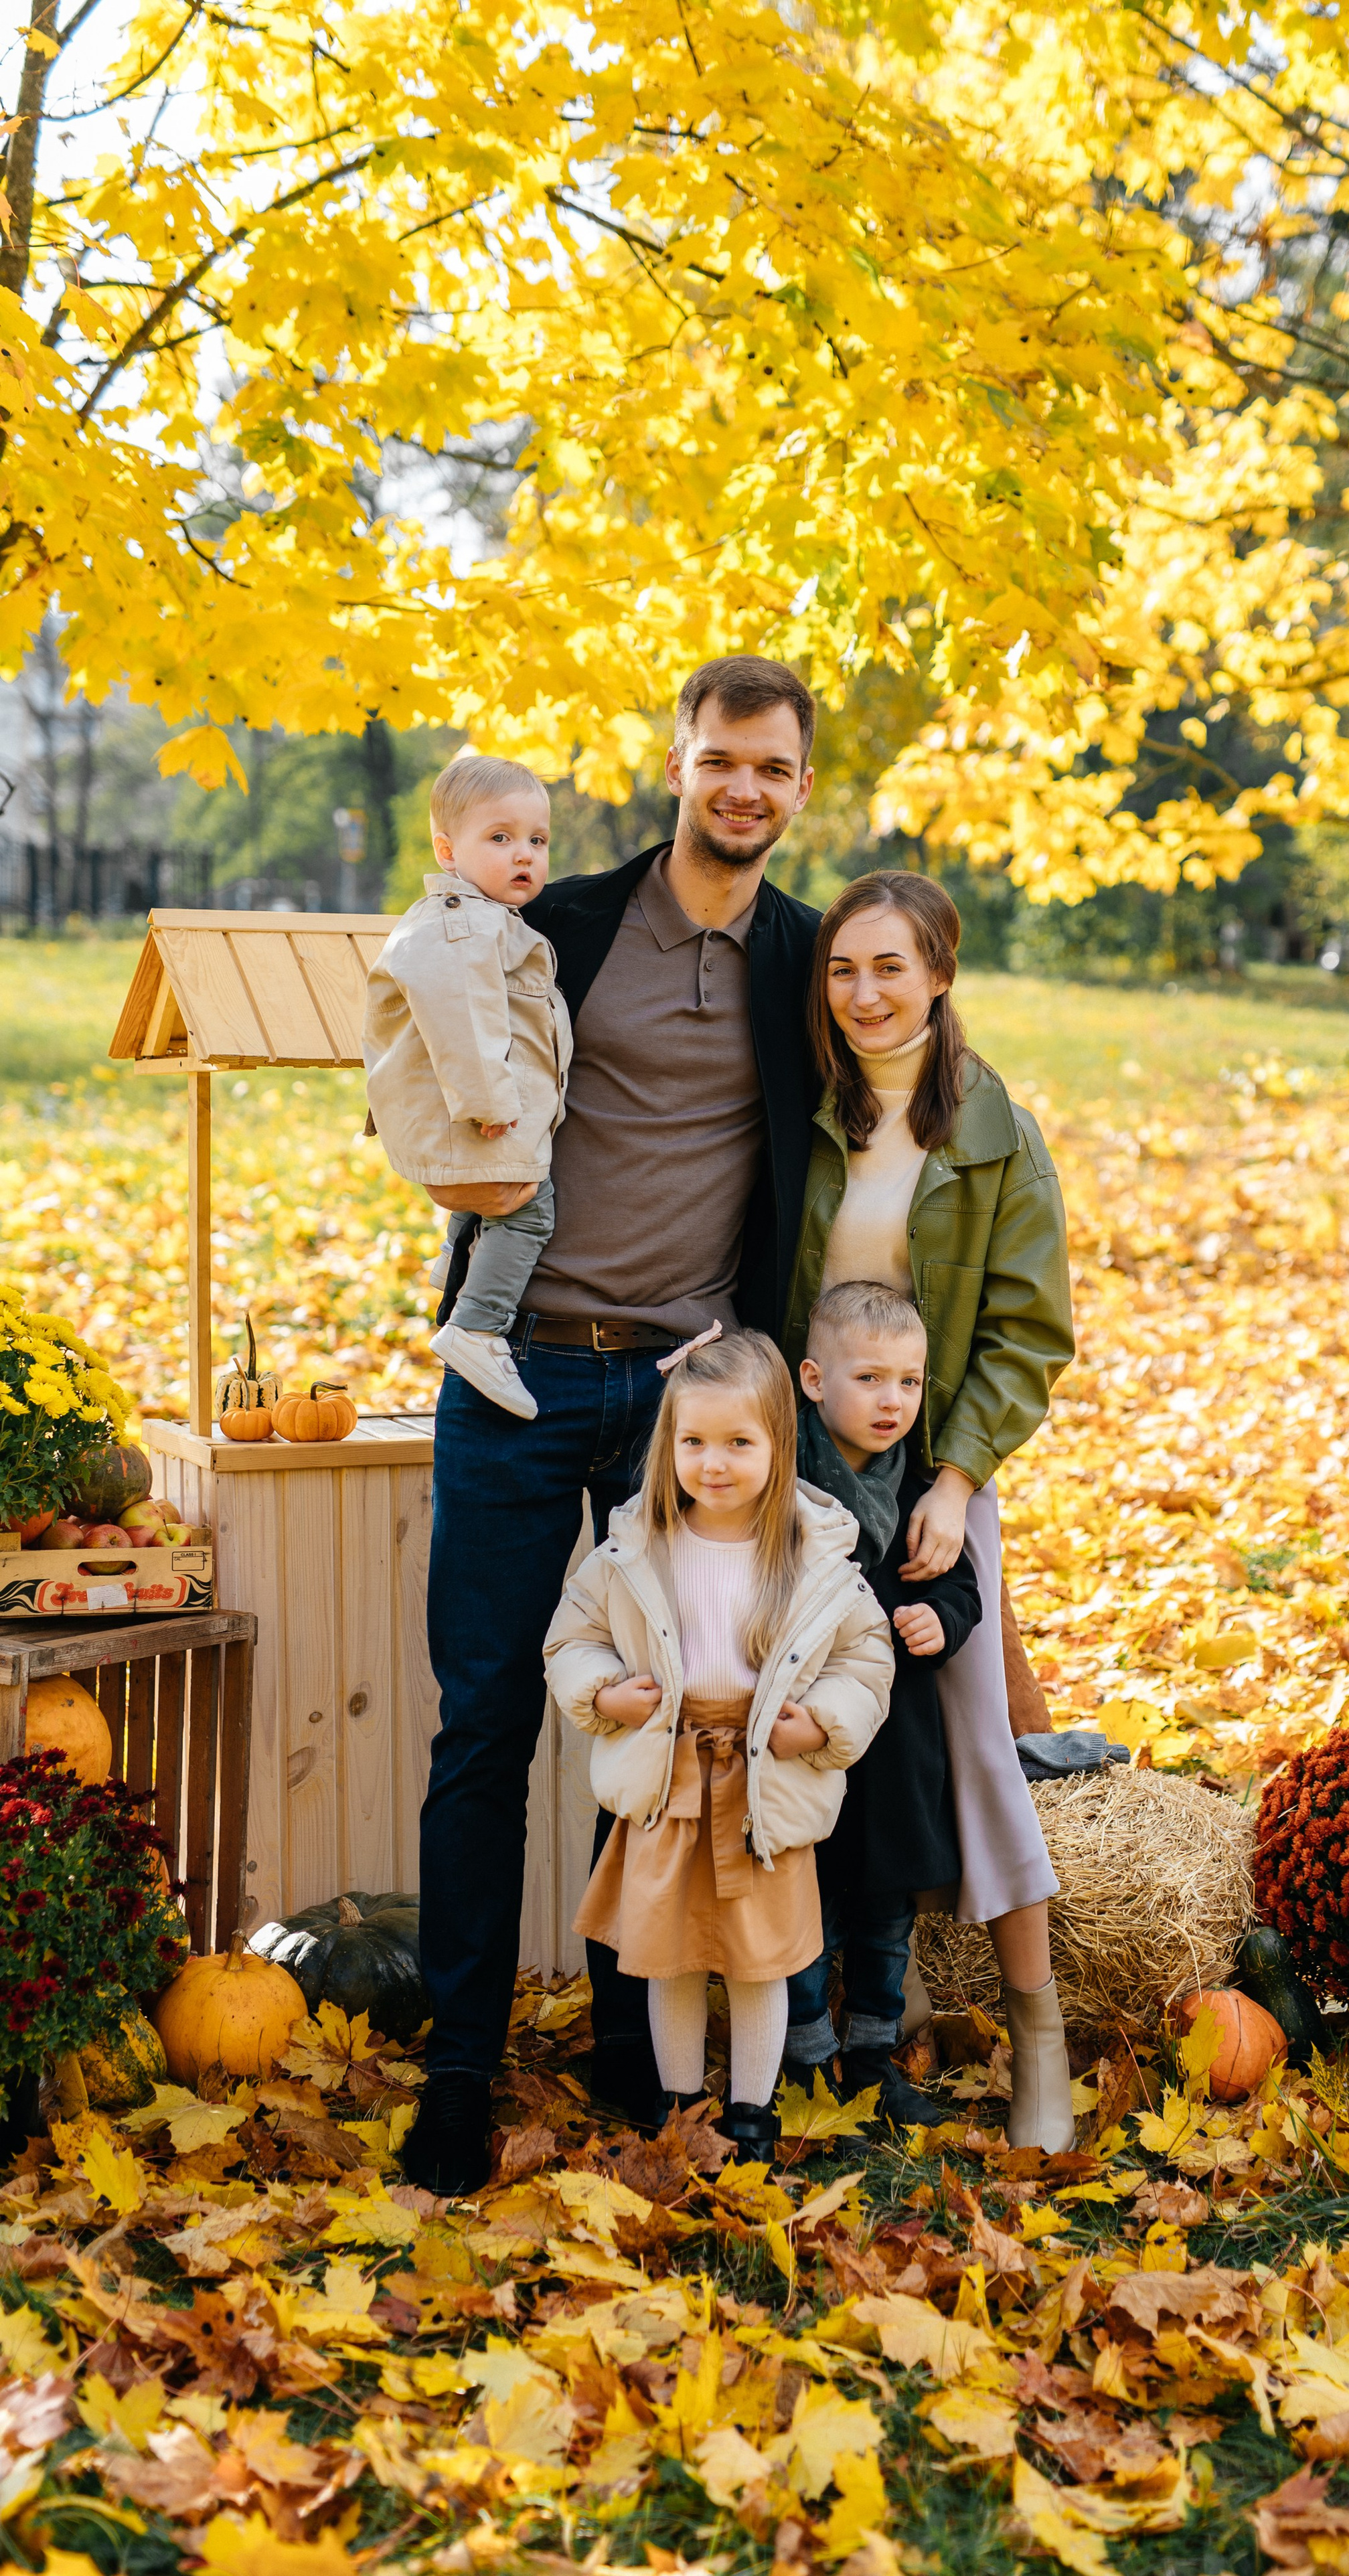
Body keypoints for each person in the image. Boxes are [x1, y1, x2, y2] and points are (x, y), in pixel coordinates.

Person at [406, 657, 823, 2196]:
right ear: (677, 764)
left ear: (796, 788)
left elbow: (889, 1101)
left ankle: (630, 2045)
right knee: (485, 1725)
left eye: (771, 769)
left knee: (669, 1715)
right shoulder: (561, 921)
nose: (743, 788)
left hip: (679, 1405)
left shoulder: (800, 956)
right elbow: (441, 1058)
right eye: (721, 759)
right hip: (514, 1375)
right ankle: (456, 2063)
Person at [781, 871, 1079, 2150]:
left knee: (970, 1748)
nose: (865, 993)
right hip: (792, 1476)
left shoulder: (994, 1130)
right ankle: (796, 2036)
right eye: (845, 968)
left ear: (942, 972)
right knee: (784, 1736)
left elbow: (1027, 1333)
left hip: (930, 1477)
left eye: (891, 967)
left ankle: (1041, 2033)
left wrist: (955, 1484)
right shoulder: (803, 1107)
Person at [544, 1329, 893, 2163]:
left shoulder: (811, 1555)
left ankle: (750, 2113)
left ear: (779, 1441)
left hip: (761, 1783)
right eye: (694, 1441)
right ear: (669, 1445)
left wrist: (824, 1722)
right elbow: (573, 1636)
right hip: (671, 1775)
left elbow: (866, 1655)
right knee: (671, 1958)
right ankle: (681, 2107)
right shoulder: (637, 1546)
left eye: (739, 1442)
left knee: (757, 1961)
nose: (714, 1462)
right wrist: (602, 1691)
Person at [785, 1278, 980, 2128]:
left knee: (883, 1912)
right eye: (869, 1379)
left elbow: (963, 1588)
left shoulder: (921, 1490)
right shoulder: (783, 1480)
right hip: (809, 1733)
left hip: (896, 1742)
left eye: (908, 1381)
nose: (892, 1399)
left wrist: (938, 1618)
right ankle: (803, 2061)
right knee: (803, 1907)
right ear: (814, 1379)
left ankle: (872, 2055)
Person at [363, 756, 569, 1421]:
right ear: (448, 851)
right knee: (530, 1206)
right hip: (484, 1114)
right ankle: (478, 1326)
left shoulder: (481, 918)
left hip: (485, 1114)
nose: (524, 855)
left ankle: (453, 1256)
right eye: (500, 837)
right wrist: (488, 1102)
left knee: (493, 1200)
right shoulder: (463, 923)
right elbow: (464, 1018)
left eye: (537, 840)